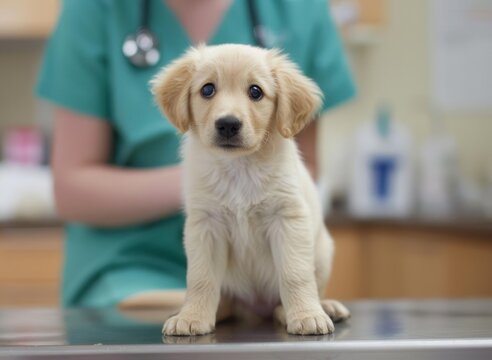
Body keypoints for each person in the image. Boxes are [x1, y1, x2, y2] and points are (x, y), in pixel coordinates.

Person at [37, 0, 356, 308]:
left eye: (255, 92)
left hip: (262, 270)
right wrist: (213, 182)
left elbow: (303, 167)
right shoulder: (94, 7)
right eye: (208, 90)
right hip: (127, 269)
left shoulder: (303, 8)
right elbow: (71, 189)